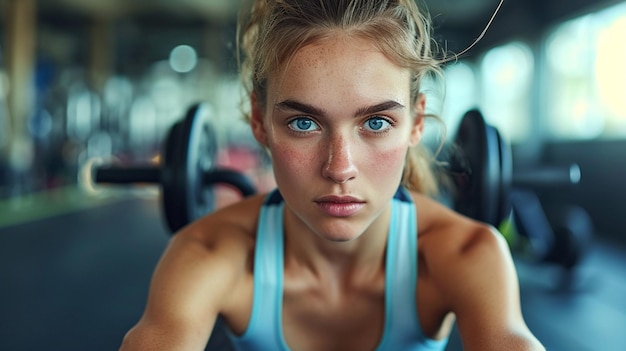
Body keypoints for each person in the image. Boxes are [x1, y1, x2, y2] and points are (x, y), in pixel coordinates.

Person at [120, 0, 545, 350]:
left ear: (417, 123)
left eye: (376, 123)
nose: (339, 167)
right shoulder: (207, 254)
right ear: (259, 121)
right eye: (304, 123)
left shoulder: (468, 254)